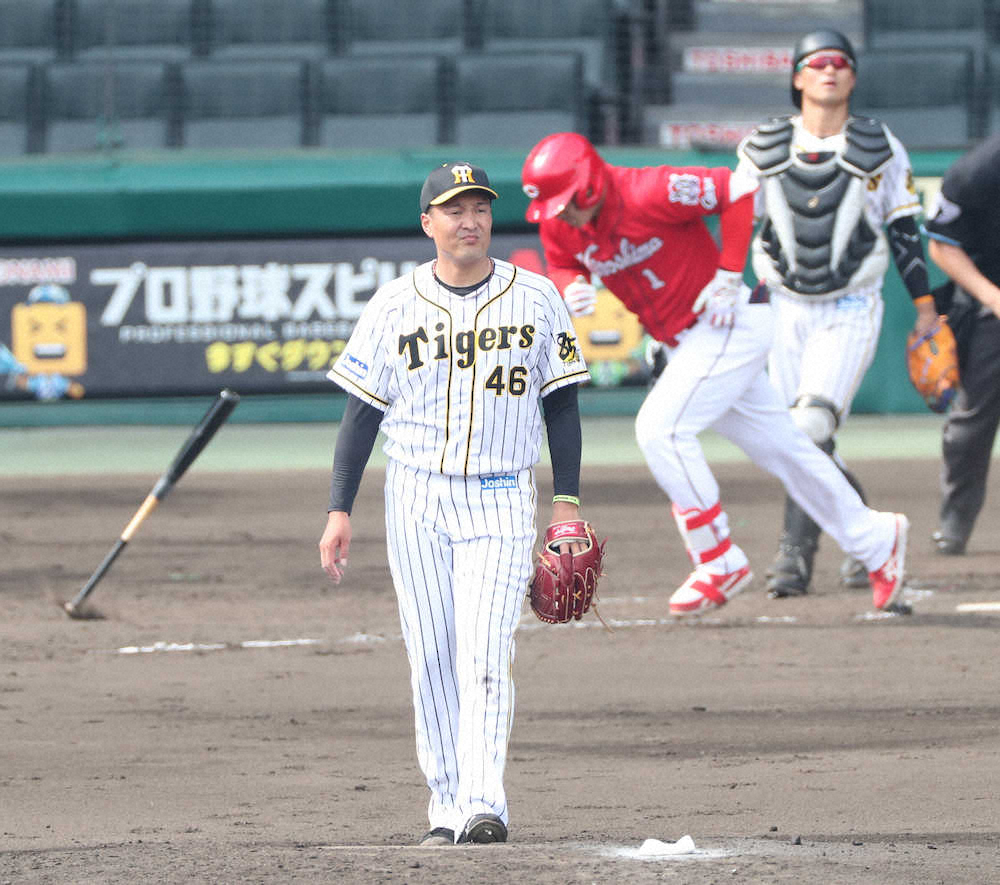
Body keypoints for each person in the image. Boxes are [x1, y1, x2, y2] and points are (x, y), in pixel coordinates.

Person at [521, 131, 908, 616]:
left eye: (567, 201)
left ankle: (718, 556)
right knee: (786, 450)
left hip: (726, 323)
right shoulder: (563, 224)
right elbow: (560, 261)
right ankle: (877, 539)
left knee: (660, 430)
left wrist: (729, 273)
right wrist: (572, 283)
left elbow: (738, 190)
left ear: (591, 182)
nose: (562, 214)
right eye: (553, 207)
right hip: (684, 342)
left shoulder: (648, 189)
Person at [318, 162, 590, 846]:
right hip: (415, 496)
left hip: (502, 495)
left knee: (485, 652)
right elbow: (360, 416)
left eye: (479, 207)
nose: (469, 219)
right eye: (453, 208)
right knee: (433, 656)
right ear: (428, 223)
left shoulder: (536, 297)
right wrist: (339, 508)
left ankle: (483, 802)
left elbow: (562, 404)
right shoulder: (392, 304)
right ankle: (445, 804)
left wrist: (566, 501)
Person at [733, 29, 938, 598]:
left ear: (852, 77)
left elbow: (903, 228)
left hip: (849, 307)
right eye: (816, 63)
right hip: (783, 308)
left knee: (808, 428)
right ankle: (869, 532)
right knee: (796, 442)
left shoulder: (879, 146)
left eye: (840, 63)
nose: (829, 71)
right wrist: (727, 290)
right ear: (798, 76)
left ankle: (794, 558)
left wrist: (925, 307)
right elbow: (733, 227)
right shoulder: (761, 146)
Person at [923, 134, 1000, 555]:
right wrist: (992, 297)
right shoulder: (979, 170)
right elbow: (942, 244)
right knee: (971, 420)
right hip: (991, 296)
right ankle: (955, 520)